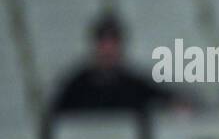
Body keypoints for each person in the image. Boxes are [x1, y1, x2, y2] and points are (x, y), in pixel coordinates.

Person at [47, 14, 175, 117]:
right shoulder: (76, 86)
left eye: (113, 44)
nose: (108, 50)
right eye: (104, 44)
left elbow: (163, 97)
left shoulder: (134, 84)